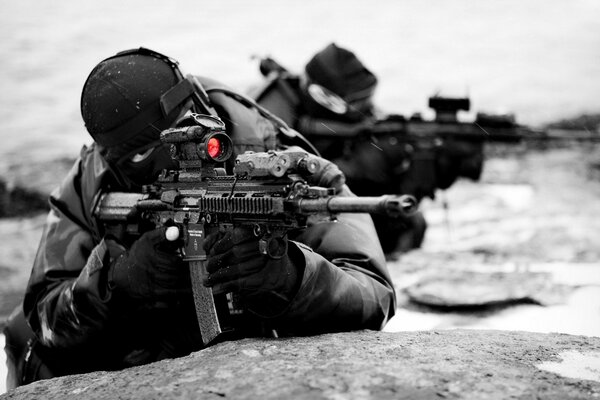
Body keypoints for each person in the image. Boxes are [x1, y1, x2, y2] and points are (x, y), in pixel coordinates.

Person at [3, 48, 395, 388]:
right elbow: (44, 315)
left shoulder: (273, 156)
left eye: (186, 126)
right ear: (111, 157)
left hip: (263, 361)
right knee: (27, 345)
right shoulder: (94, 179)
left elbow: (374, 293)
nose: (178, 154)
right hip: (147, 359)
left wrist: (291, 278)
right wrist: (117, 285)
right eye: (145, 155)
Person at [251, 43, 483, 256]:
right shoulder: (267, 120)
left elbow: (368, 135)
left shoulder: (338, 115)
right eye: (356, 103)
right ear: (323, 97)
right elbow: (281, 189)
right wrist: (368, 170)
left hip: (324, 200)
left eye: (367, 100)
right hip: (282, 226)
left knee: (411, 222)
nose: (366, 109)